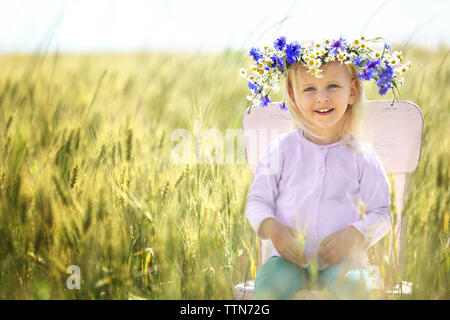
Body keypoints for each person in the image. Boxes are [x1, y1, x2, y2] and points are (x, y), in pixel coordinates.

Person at [242, 36, 409, 299]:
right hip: (289, 260)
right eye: (309, 89)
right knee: (270, 286)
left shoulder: (361, 155)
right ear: (293, 96)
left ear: (352, 91)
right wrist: (273, 229)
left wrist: (356, 235)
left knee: (354, 286)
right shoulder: (281, 149)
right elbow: (257, 201)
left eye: (332, 85)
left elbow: (383, 211)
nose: (322, 98)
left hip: (342, 261)